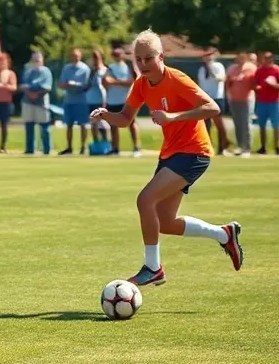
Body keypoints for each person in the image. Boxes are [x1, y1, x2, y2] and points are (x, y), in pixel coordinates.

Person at [91, 30, 243, 288]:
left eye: (148, 58)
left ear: (161, 56)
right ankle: (223, 234)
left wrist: (173, 117)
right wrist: (106, 114)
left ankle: (153, 268)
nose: (143, 64)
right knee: (164, 223)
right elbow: (126, 119)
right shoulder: (140, 84)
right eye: (138, 59)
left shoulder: (177, 79)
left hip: (194, 151)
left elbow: (212, 108)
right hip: (172, 152)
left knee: (145, 199)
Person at [104, 46, 140, 156]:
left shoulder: (128, 67)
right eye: (115, 54)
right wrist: (121, 82)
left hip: (125, 101)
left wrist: (116, 82)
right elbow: (106, 80)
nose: (117, 56)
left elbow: (131, 81)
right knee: (113, 126)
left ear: (123, 55)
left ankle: (136, 148)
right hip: (112, 101)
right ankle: (115, 148)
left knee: (131, 123)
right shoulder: (110, 68)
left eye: (118, 54)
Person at [253, 52, 279, 155]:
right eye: (265, 58)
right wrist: (257, 88)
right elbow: (255, 84)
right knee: (262, 126)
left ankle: (277, 148)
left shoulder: (277, 70)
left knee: (276, 126)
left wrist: (274, 85)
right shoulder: (259, 71)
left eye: (269, 58)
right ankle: (263, 147)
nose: (267, 60)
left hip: (274, 102)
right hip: (261, 102)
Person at [196, 49, 229, 155]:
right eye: (205, 55)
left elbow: (220, 79)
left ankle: (222, 148)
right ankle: (207, 148)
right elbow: (201, 85)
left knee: (219, 124)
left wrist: (210, 69)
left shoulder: (218, 66)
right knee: (205, 124)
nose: (207, 58)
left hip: (217, 98)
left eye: (209, 55)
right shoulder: (201, 69)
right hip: (205, 99)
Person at [19, 51, 52, 155]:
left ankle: (46, 149)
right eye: (34, 60)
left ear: (42, 60)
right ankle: (29, 149)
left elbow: (47, 87)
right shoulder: (27, 71)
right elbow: (23, 85)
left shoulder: (46, 71)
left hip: (41, 103)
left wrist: (36, 94)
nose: (36, 61)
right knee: (29, 126)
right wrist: (29, 93)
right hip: (27, 102)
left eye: (38, 60)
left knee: (44, 127)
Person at [59, 48, 90, 155]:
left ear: (80, 56)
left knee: (83, 124)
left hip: (81, 100)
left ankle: (83, 147)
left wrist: (75, 84)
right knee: (69, 124)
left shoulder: (85, 68)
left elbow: (86, 85)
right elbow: (61, 83)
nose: (75, 57)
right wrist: (67, 84)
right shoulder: (66, 68)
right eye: (73, 55)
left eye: (77, 55)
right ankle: (69, 148)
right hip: (68, 100)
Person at [225, 53, 256, 157]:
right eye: (238, 57)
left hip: (247, 99)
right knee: (237, 124)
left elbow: (255, 83)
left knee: (246, 123)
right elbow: (227, 82)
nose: (240, 60)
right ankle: (240, 146)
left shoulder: (251, 68)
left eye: (242, 58)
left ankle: (247, 148)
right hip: (234, 99)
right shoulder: (232, 69)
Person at [86, 49, 108, 145]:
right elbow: (88, 85)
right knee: (93, 123)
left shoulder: (105, 70)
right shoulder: (92, 71)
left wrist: (105, 101)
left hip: (102, 100)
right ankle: (96, 143)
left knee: (103, 123)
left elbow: (104, 87)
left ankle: (106, 142)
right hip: (92, 100)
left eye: (97, 57)